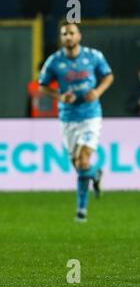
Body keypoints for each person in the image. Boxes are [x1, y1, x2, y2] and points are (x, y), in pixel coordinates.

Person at [39, 22, 114, 222]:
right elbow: (43, 85)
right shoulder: (54, 61)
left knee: (82, 159)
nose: (69, 37)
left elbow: (108, 76)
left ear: (79, 36)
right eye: (65, 34)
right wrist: (59, 96)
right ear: (61, 38)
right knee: (78, 164)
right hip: (68, 117)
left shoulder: (93, 56)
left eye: (72, 33)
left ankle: (82, 210)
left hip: (90, 115)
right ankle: (95, 175)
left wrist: (97, 92)